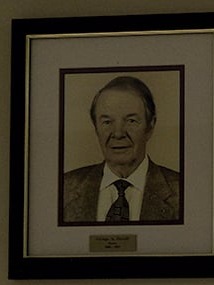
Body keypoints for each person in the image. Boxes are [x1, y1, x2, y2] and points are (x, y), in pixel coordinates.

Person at [62, 75, 181, 223]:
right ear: (96, 128)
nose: (118, 133)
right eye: (107, 122)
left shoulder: (183, 191)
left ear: (150, 126)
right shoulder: (64, 189)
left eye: (131, 121)